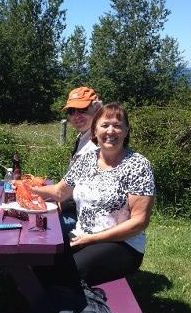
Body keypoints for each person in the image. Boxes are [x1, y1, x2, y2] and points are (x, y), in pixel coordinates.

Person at [33, 102, 155, 287]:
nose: (111, 131)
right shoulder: (87, 160)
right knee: (39, 262)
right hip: (82, 236)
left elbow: (139, 222)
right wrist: (25, 188)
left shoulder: (138, 165)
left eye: (117, 125)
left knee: (64, 274)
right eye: (105, 125)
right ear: (95, 130)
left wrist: (91, 239)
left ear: (126, 130)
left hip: (121, 244)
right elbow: (59, 192)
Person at [60, 86, 102, 234]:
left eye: (82, 110)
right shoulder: (84, 136)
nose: (76, 116)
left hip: (84, 219)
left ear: (97, 109)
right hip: (74, 210)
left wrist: (58, 202)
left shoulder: (98, 141)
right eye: (71, 111)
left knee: (43, 230)